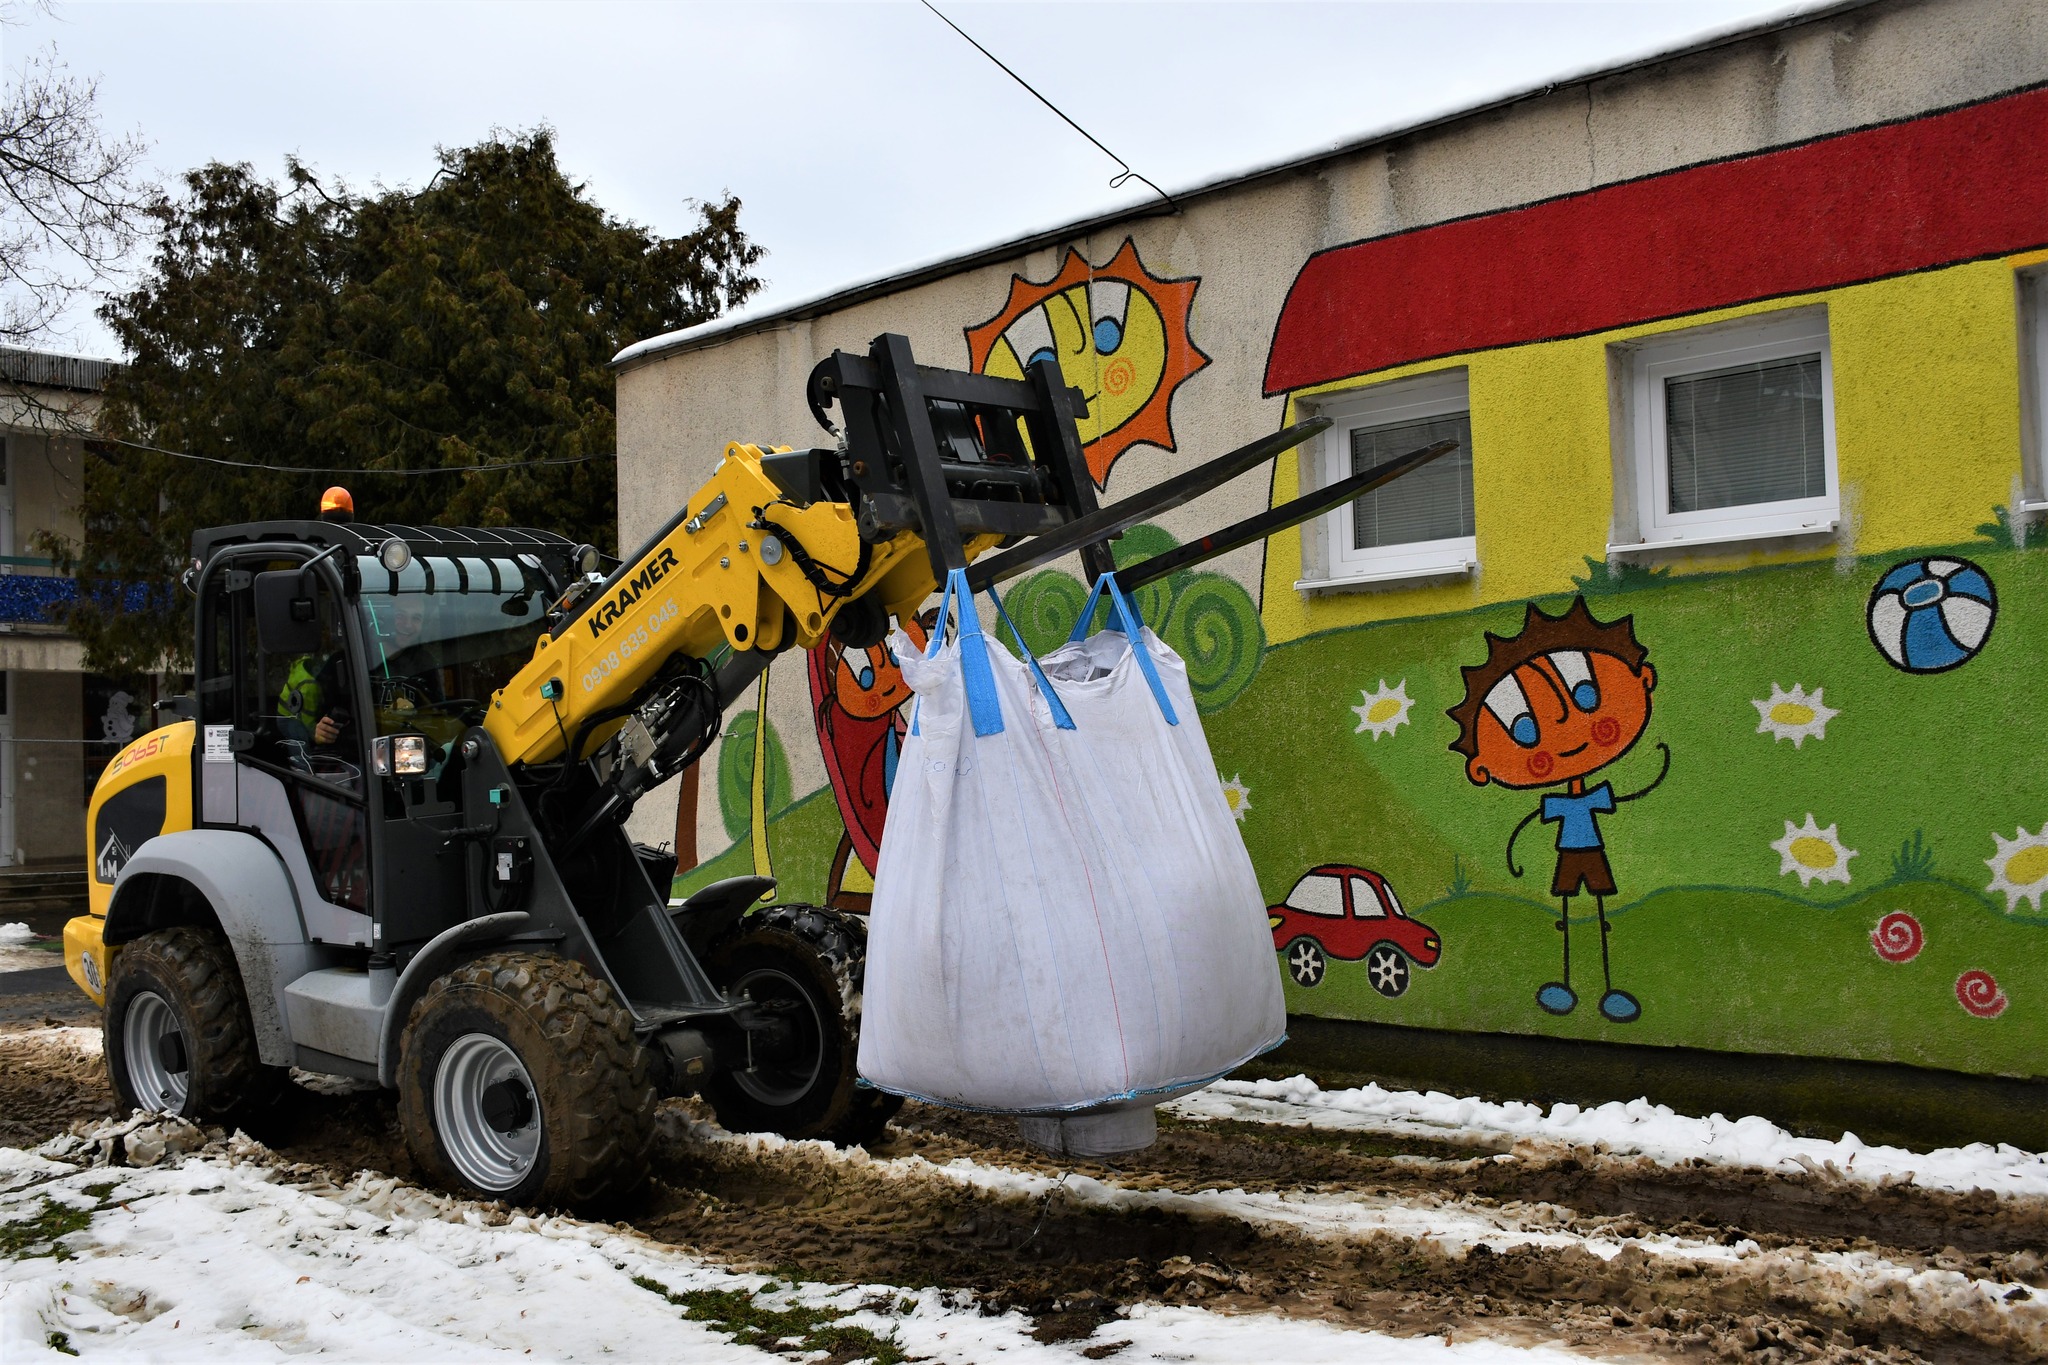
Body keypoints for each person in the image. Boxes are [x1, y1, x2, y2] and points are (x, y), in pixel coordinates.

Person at [1448, 596, 1670, 1025]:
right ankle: (1565, 983)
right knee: (1568, 913)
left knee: (1601, 911)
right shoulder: (1567, 801)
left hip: (1588, 853)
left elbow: (1601, 801)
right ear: (1480, 767)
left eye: (1586, 696)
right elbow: (1564, 809)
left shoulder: (1586, 797)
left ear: (1642, 677)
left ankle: (1608, 987)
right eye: (1525, 729)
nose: (1568, 735)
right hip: (1571, 856)